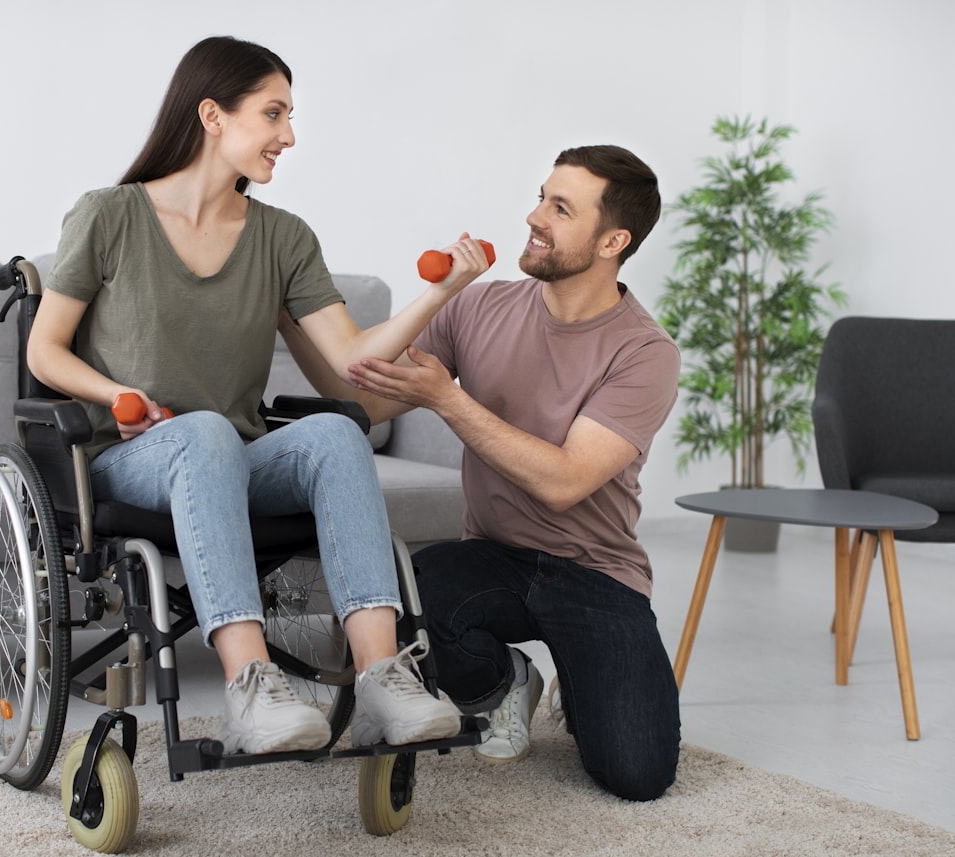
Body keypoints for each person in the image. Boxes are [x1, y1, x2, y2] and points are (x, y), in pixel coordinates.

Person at [26, 35, 485, 756]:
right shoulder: (108, 215)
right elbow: (43, 350)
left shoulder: (283, 238)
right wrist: (118, 392)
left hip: (232, 456)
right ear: (213, 115)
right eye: (274, 115)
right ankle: (249, 689)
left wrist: (440, 293)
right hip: (128, 453)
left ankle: (382, 681)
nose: (289, 136)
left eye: (290, 117)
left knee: (336, 431)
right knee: (206, 432)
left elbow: (347, 366)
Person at [281, 145, 681, 800]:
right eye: (541, 196)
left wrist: (448, 398)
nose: (534, 216)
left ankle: (585, 683)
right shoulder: (478, 308)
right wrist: (292, 318)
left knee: (638, 772)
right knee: (409, 593)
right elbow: (371, 399)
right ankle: (507, 682)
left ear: (614, 239)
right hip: (491, 558)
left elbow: (564, 480)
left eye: (560, 207)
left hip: (596, 571)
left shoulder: (645, 352)